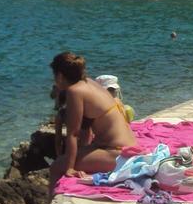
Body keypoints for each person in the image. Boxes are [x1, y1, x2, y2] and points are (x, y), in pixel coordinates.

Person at [48, 51, 136, 191]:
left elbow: (73, 134)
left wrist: (70, 168)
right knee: (74, 155)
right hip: (127, 146)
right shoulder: (89, 82)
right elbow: (86, 129)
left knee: (56, 166)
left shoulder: (74, 91)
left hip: (118, 154)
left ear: (59, 76)